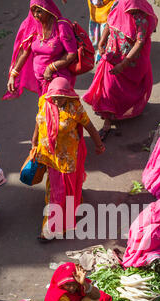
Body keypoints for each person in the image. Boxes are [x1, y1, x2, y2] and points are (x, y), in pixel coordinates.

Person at [31, 77, 105, 240]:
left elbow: (89, 126)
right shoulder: (45, 101)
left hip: (67, 159)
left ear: (68, 95)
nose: (57, 101)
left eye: (60, 98)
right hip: (48, 156)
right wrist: (34, 142)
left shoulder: (74, 107)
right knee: (56, 191)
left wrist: (99, 145)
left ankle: (53, 226)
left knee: (61, 191)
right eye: (54, 97)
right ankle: (53, 223)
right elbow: (38, 121)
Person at [83, 0, 158, 141]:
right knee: (109, 89)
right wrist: (101, 41)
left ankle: (120, 111)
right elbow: (110, 23)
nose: (131, 13)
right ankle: (107, 122)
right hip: (112, 54)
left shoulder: (140, 16)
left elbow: (140, 42)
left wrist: (124, 63)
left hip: (130, 62)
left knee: (124, 90)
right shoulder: (117, 4)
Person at [4, 0, 78, 100]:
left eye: (39, 11)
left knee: (54, 111)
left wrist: (51, 68)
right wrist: (13, 75)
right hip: (40, 80)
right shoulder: (34, 27)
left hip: (57, 80)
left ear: (48, 10)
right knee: (45, 110)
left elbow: (71, 54)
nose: (35, 15)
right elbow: (24, 53)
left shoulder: (61, 26)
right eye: (33, 11)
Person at [122, 195, 160, 276]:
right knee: (159, 260)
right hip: (143, 251)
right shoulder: (154, 230)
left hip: (135, 244)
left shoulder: (152, 211)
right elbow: (146, 246)